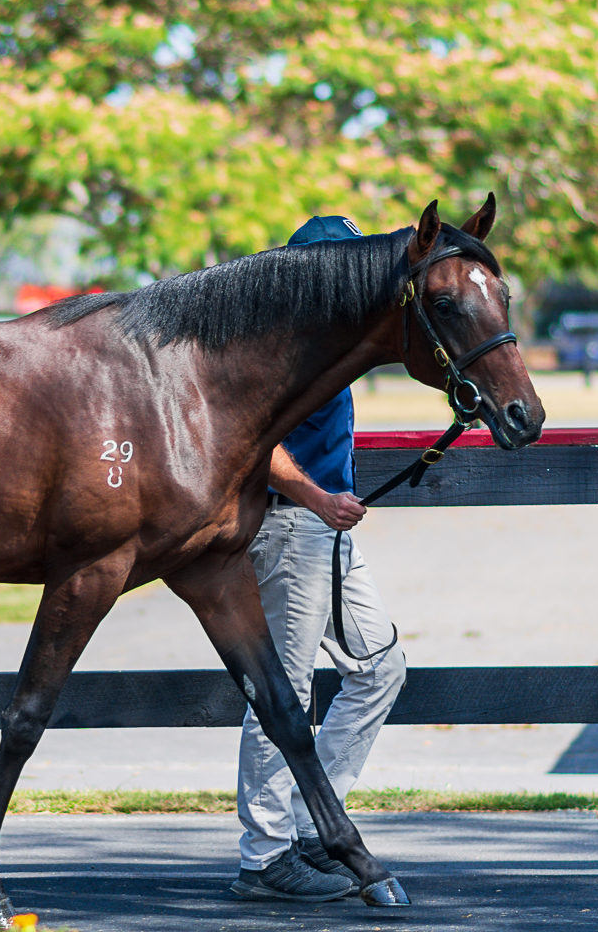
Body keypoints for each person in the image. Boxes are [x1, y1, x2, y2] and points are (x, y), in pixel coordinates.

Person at [231, 215, 407, 902]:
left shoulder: (329, 337)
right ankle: (264, 855)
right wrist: (311, 496)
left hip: (326, 531)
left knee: (381, 669)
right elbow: (251, 439)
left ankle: (313, 824)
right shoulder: (278, 341)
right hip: (288, 526)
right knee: (284, 692)